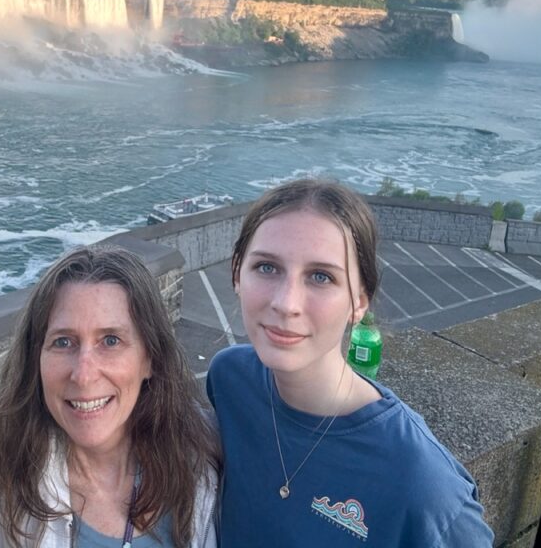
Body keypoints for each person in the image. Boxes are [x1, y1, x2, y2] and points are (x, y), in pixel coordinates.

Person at [206, 178, 494, 547]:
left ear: (360, 302)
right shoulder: (230, 380)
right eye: (267, 267)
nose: (286, 302)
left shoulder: (421, 483)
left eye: (321, 276)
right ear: (236, 273)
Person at [0, 245, 218, 547]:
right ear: (36, 359)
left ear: (149, 358)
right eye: (63, 342)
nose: (84, 375)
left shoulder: (200, 459)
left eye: (110, 340)